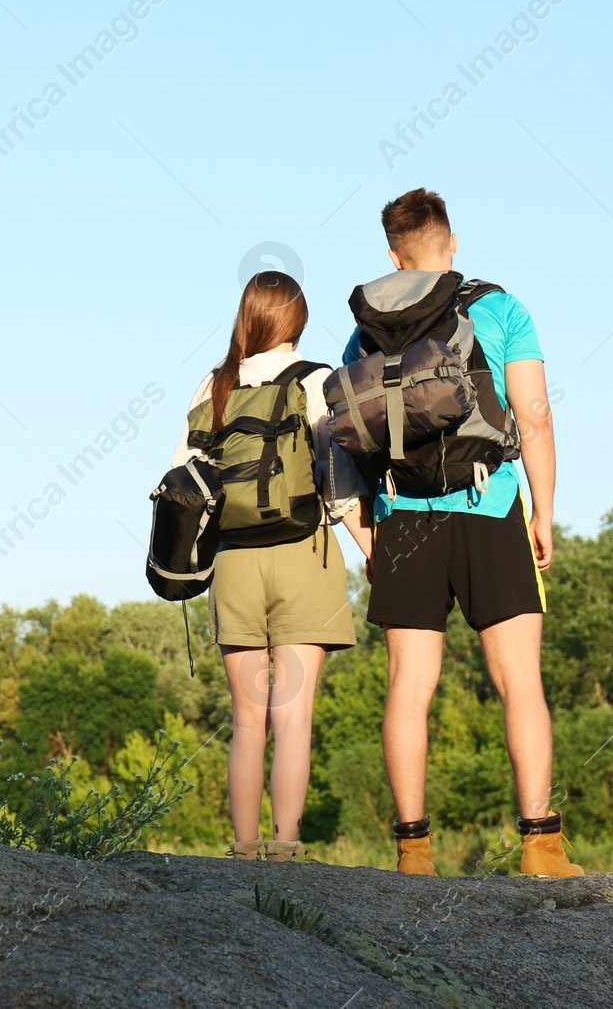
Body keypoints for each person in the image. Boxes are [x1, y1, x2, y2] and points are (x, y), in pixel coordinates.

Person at [342, 188, 583, 878]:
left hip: (403, 518)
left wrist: (369, 539)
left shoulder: (365, 331)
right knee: (518, 681)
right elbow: (533, 416)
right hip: (489, 506)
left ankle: (413, 851)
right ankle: (540, 843)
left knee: (407, 687)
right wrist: (543, 509)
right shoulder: (501, 307)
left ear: (393, 256)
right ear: (453, 245)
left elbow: (347, 438)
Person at [173, 270, 373, 862]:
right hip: (301, 555)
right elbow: (339, 483)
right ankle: (286, 851)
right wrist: (374, 553)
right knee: (293, 717)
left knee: (246, 720)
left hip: (233, 562)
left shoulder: (213, 385)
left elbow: (186, 481)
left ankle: (241, 848)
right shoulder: (317, 381)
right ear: (299, 319)